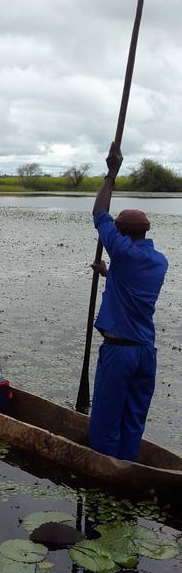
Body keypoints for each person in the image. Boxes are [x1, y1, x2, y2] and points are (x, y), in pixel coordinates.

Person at [89, 142, 168, 461]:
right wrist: (110, 274)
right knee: (133, 420)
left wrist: (111, 173)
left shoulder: (121, 251)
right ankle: (129, 466)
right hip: (146, 353)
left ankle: (105, 472)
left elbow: (99, 214)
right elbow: (134, 288)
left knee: (105, 421)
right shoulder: (158, 261)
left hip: (120, 353)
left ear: (122, 235)